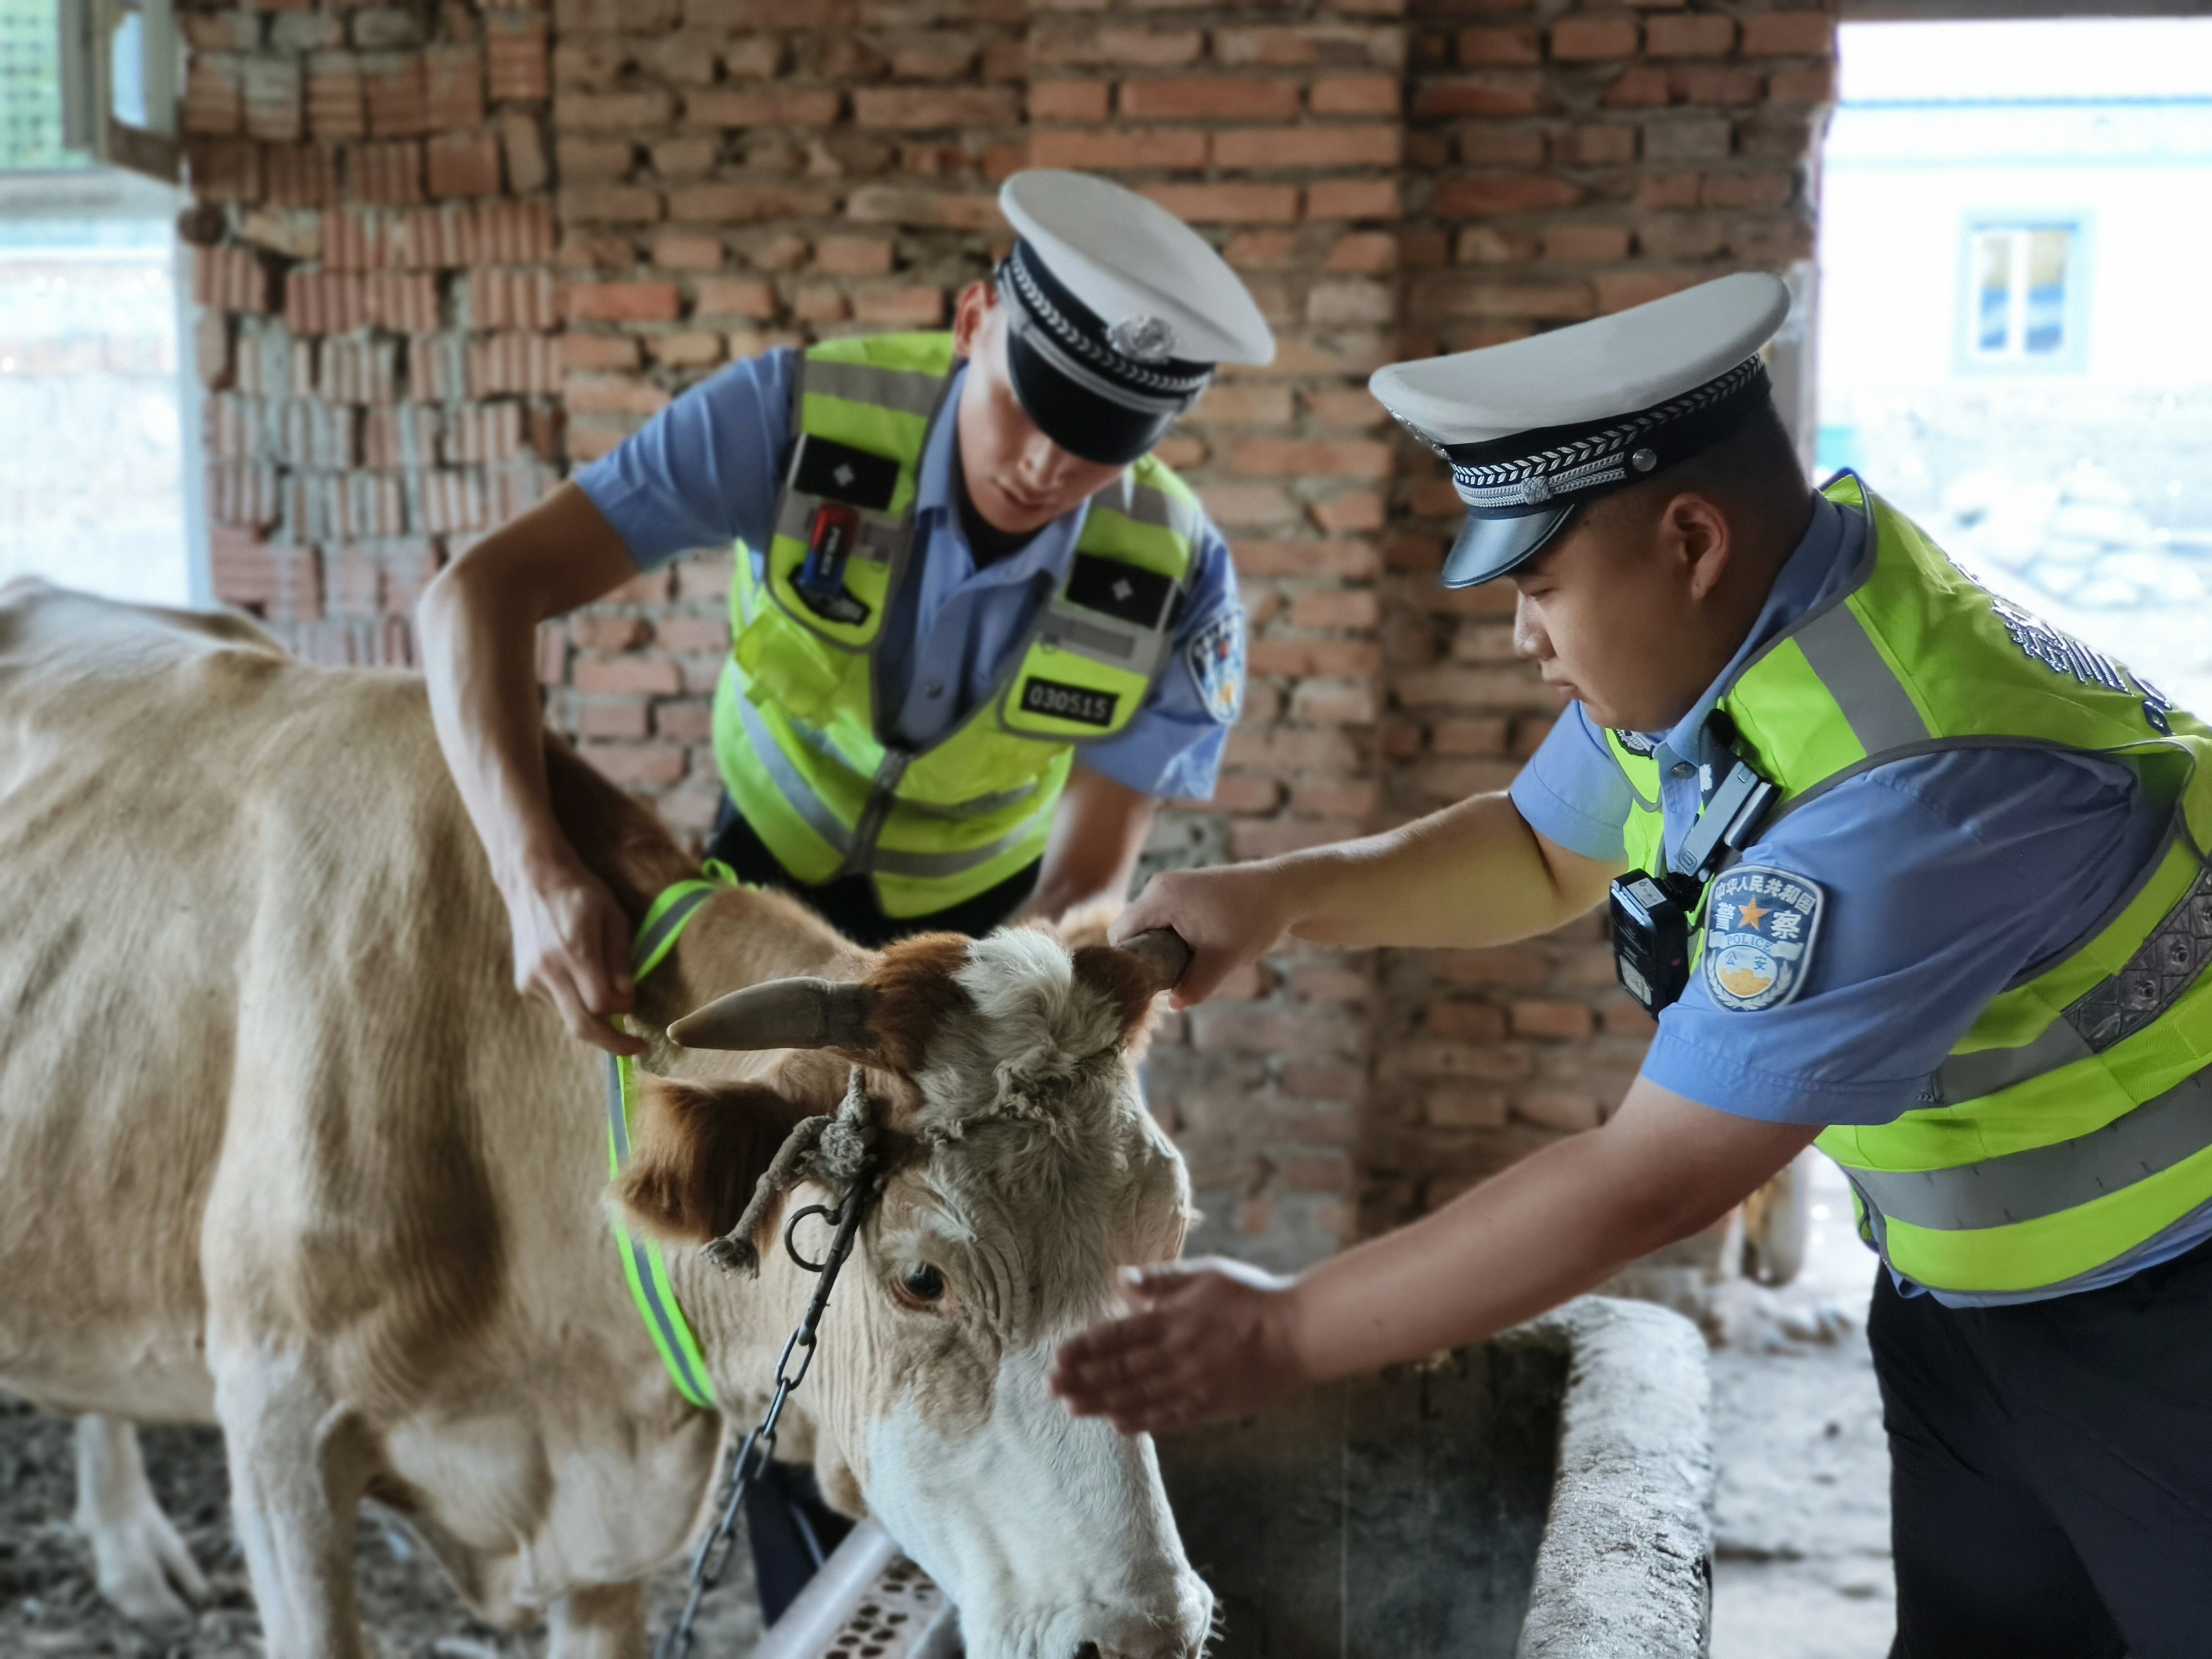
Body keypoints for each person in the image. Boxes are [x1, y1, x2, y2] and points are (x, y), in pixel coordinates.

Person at [1051, 271, 2212, 1659]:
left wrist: (1288, 1337)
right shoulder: (1755, 624)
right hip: (1972, 1292)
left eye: (1539, 586)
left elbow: (1648, 1177)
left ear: (1691, 537)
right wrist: (1287, 897)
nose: (1526, 640)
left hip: (2170, 1315)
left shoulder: (1901, 796)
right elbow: (1544, 853)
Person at [417, 170, 1272, 1618]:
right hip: (764, 890)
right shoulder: (801, 417)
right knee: (770, 1259)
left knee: (972, 1264)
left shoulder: (1173, 575)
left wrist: (1023, 1027)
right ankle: (793, 1564)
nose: (1052, 471)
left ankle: (937, 1570)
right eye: (1032, 413)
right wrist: (533, 872)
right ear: (972, 321)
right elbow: (477, 596)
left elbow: (1089, 868)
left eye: (1099, 450)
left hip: (986, 945)